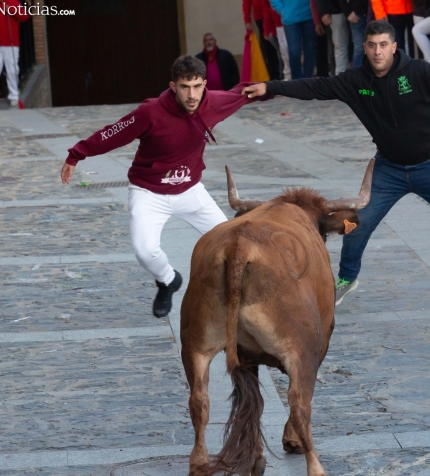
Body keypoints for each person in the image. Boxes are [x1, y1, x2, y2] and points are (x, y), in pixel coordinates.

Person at [242, 20, 430, 304]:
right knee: (355, 225)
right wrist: (269, 87)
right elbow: (314, 87)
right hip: (388, 170)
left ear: (394, 46)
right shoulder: (354, 81)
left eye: (383, 45)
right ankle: (346, 278)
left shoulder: (418, 72)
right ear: (366, 48)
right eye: (371, 45)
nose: (377, 51)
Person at [60, 56, 272, 318]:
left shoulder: (213, 103)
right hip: (149, 193)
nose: (192, 94)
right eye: (185, 87)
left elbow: (246, 93)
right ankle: (168, 280)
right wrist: (76, 154)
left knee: (231, 241)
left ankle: (243, 298)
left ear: (205, 84)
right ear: (173, 86)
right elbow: (113, 133)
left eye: (197, 86)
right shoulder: (150, 112)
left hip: (191, 192)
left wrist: (271, 89)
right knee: (145, 251)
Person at [0, 0, 28, 107]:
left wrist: (10, 8)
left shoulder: (12, 1)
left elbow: (24, 16)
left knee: (12, 70)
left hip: (11, 43)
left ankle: (14, 95)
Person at [271, 0, 317, 79]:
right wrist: (282, 10)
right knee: (294, 52)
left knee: (310, 50)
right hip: (290, 19)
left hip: (309, 15)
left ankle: (308, 80)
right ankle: (296, 82)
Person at [244, 0, 281, 80]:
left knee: (281, 45)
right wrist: (247, 19)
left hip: (276, 12)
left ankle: (280, 74)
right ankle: (274, 76)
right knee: (268, 48)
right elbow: (246, 2)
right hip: (261, 16)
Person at [316, 0, 350, 74]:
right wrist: (323, 12)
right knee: (340, 47)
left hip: (355, 10)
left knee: (355, 46)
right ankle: (341, 76)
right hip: (335, 11)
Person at [341, 0, 368, 67]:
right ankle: (357, 76)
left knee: (375, 48)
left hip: (374, 14)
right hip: (357, 15)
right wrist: (348, 12)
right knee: (359, 48)